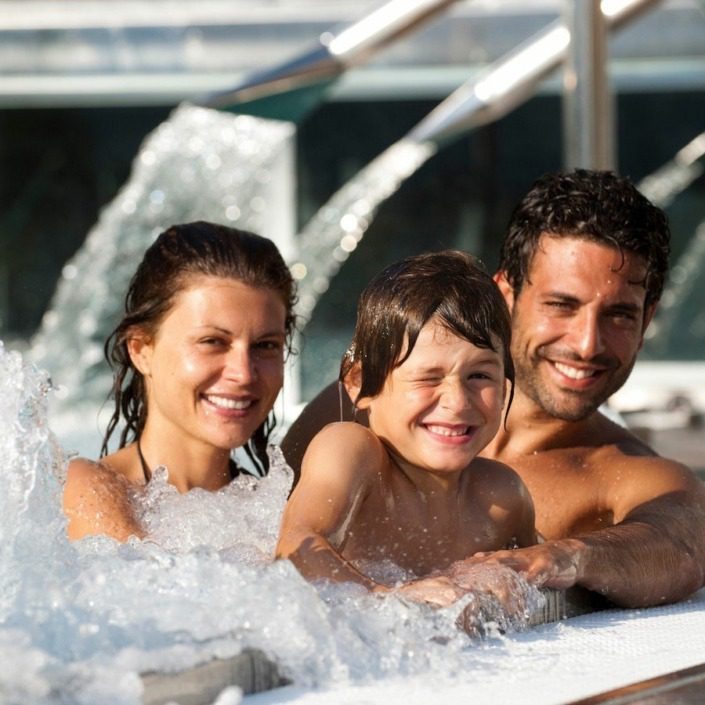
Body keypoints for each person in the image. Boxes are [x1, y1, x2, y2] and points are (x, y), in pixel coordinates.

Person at [281, 169, 705, 608]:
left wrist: (562, 556)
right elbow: (275, 542)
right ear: (505, 293)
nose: (586, 343)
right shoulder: (358, 411)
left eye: (619, 315)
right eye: (561, 305)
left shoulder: (627, 476)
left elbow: (684, 547)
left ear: (647, 319)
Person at [276, 251, 536, 605]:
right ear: (360, 384)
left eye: (479, 376)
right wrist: (387, 599)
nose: (457, 402)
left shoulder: (503, 499)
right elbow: (295, 550)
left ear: (505, 388)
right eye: (428, 377)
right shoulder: (351, 452)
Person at [63, 221, 296, 541]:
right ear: (141, 349)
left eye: (265, 345)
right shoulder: (90, 487)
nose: (243, 373)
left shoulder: (279, 511)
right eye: (213, 341)